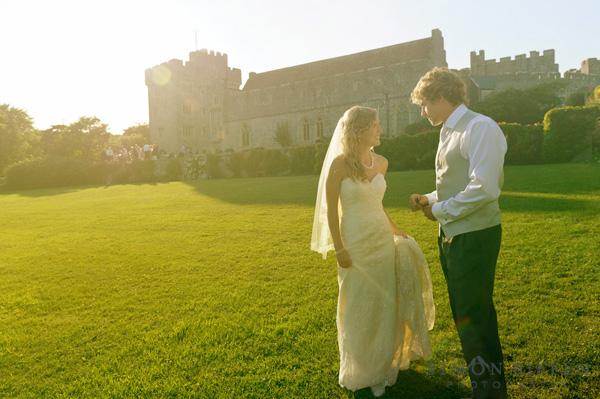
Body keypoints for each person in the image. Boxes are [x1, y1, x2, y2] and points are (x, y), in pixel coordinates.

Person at [311, 106, 435, 397]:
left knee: (384, 303)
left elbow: (376, 205)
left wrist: (395, 230)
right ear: (360, 129)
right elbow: (331, 211)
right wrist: (339, 246)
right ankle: (360, 368)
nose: (380, 130)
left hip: (380, 239)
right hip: (354, 242)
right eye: (375, 125)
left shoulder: (382, 162)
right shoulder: (340, 164)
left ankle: (381, 366)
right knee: (356, 304)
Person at [409, 67, 508, 399]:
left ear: (440, 97)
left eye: (424, 104)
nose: (422, 112)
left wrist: (438, 210)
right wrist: (430, 198)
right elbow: (455, 184)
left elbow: (484, 188)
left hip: (475, 237)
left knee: (476, 318)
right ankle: (484, 387)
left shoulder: (480, 128)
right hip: (450, 237)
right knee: (465, 316)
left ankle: (491, 393)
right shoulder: (448, 131)